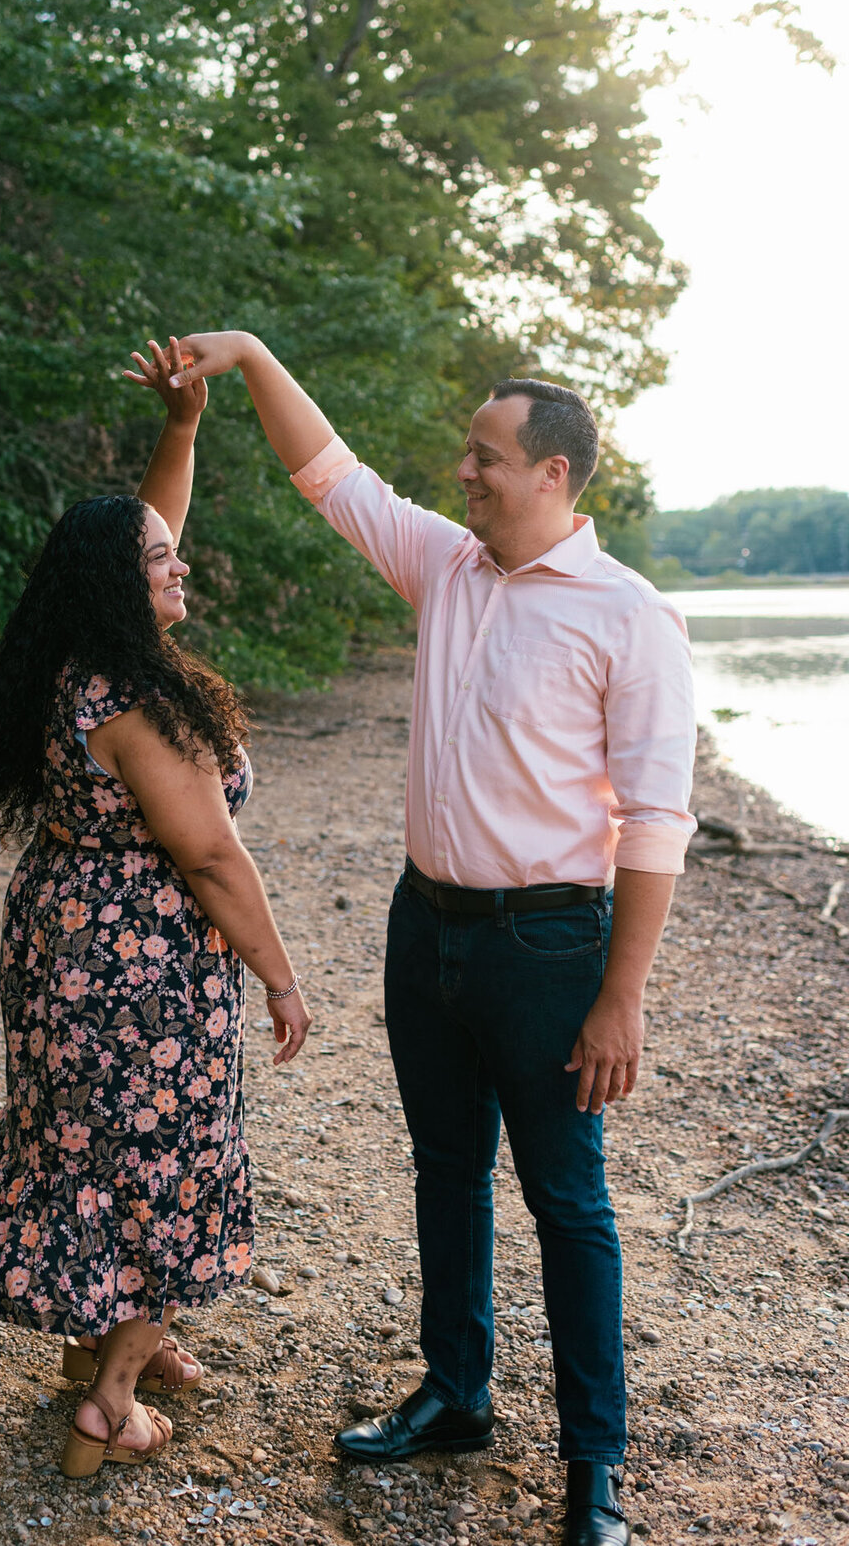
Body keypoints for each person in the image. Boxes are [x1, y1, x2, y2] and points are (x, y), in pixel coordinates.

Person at [162, 332, 696, 1546]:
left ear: (555, 474)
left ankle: (593, 1470)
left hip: (554, 947)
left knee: (571, 1202)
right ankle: (455, 1394)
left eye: (486, 457)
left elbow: (658, 820)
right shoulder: (449, 569)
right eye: (465, 455)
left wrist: (623, 997)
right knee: (446, 1175)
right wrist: (246, 356)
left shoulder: (631, 617)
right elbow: (330, 474)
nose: (465, 473)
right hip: (427, 928)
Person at [0, 339, 311, 1480]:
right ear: (118, 581)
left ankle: (113, 1336)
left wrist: (183, 430)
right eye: (163, 562)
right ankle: (111, 1398)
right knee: (168, 1154)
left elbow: (145, 529)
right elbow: (209, 858)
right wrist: (280, 975)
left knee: (88, 1142)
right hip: (139, 957)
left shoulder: (77, 656)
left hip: (63, 936)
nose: (179, 565)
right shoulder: (138, 700)